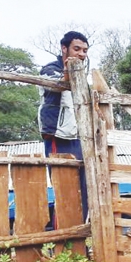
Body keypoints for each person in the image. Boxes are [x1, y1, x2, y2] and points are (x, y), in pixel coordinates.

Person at [38, 31, 90, 223]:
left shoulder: (82, 76)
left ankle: (80, 244)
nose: (82, 54)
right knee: (64, 189)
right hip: (59, 138)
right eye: (77, 49)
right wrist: (70, 69)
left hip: (80, 138)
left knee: (83, 191)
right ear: (64, 49)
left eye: (85, 50)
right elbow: (56, 86)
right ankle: (62, 244)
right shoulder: (50, 69)